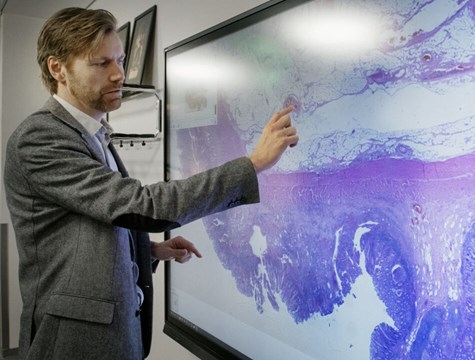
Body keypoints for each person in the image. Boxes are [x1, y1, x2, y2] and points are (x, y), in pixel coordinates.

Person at [2, 7, 298, 360]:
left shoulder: (93, 134)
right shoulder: (41, 137)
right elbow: (143, 206)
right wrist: (254, 164)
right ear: (57, 69)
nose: (118, 75)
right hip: (74, 343)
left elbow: (93, 222)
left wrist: (149, 251)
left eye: (120, 60)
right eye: (101, 64)